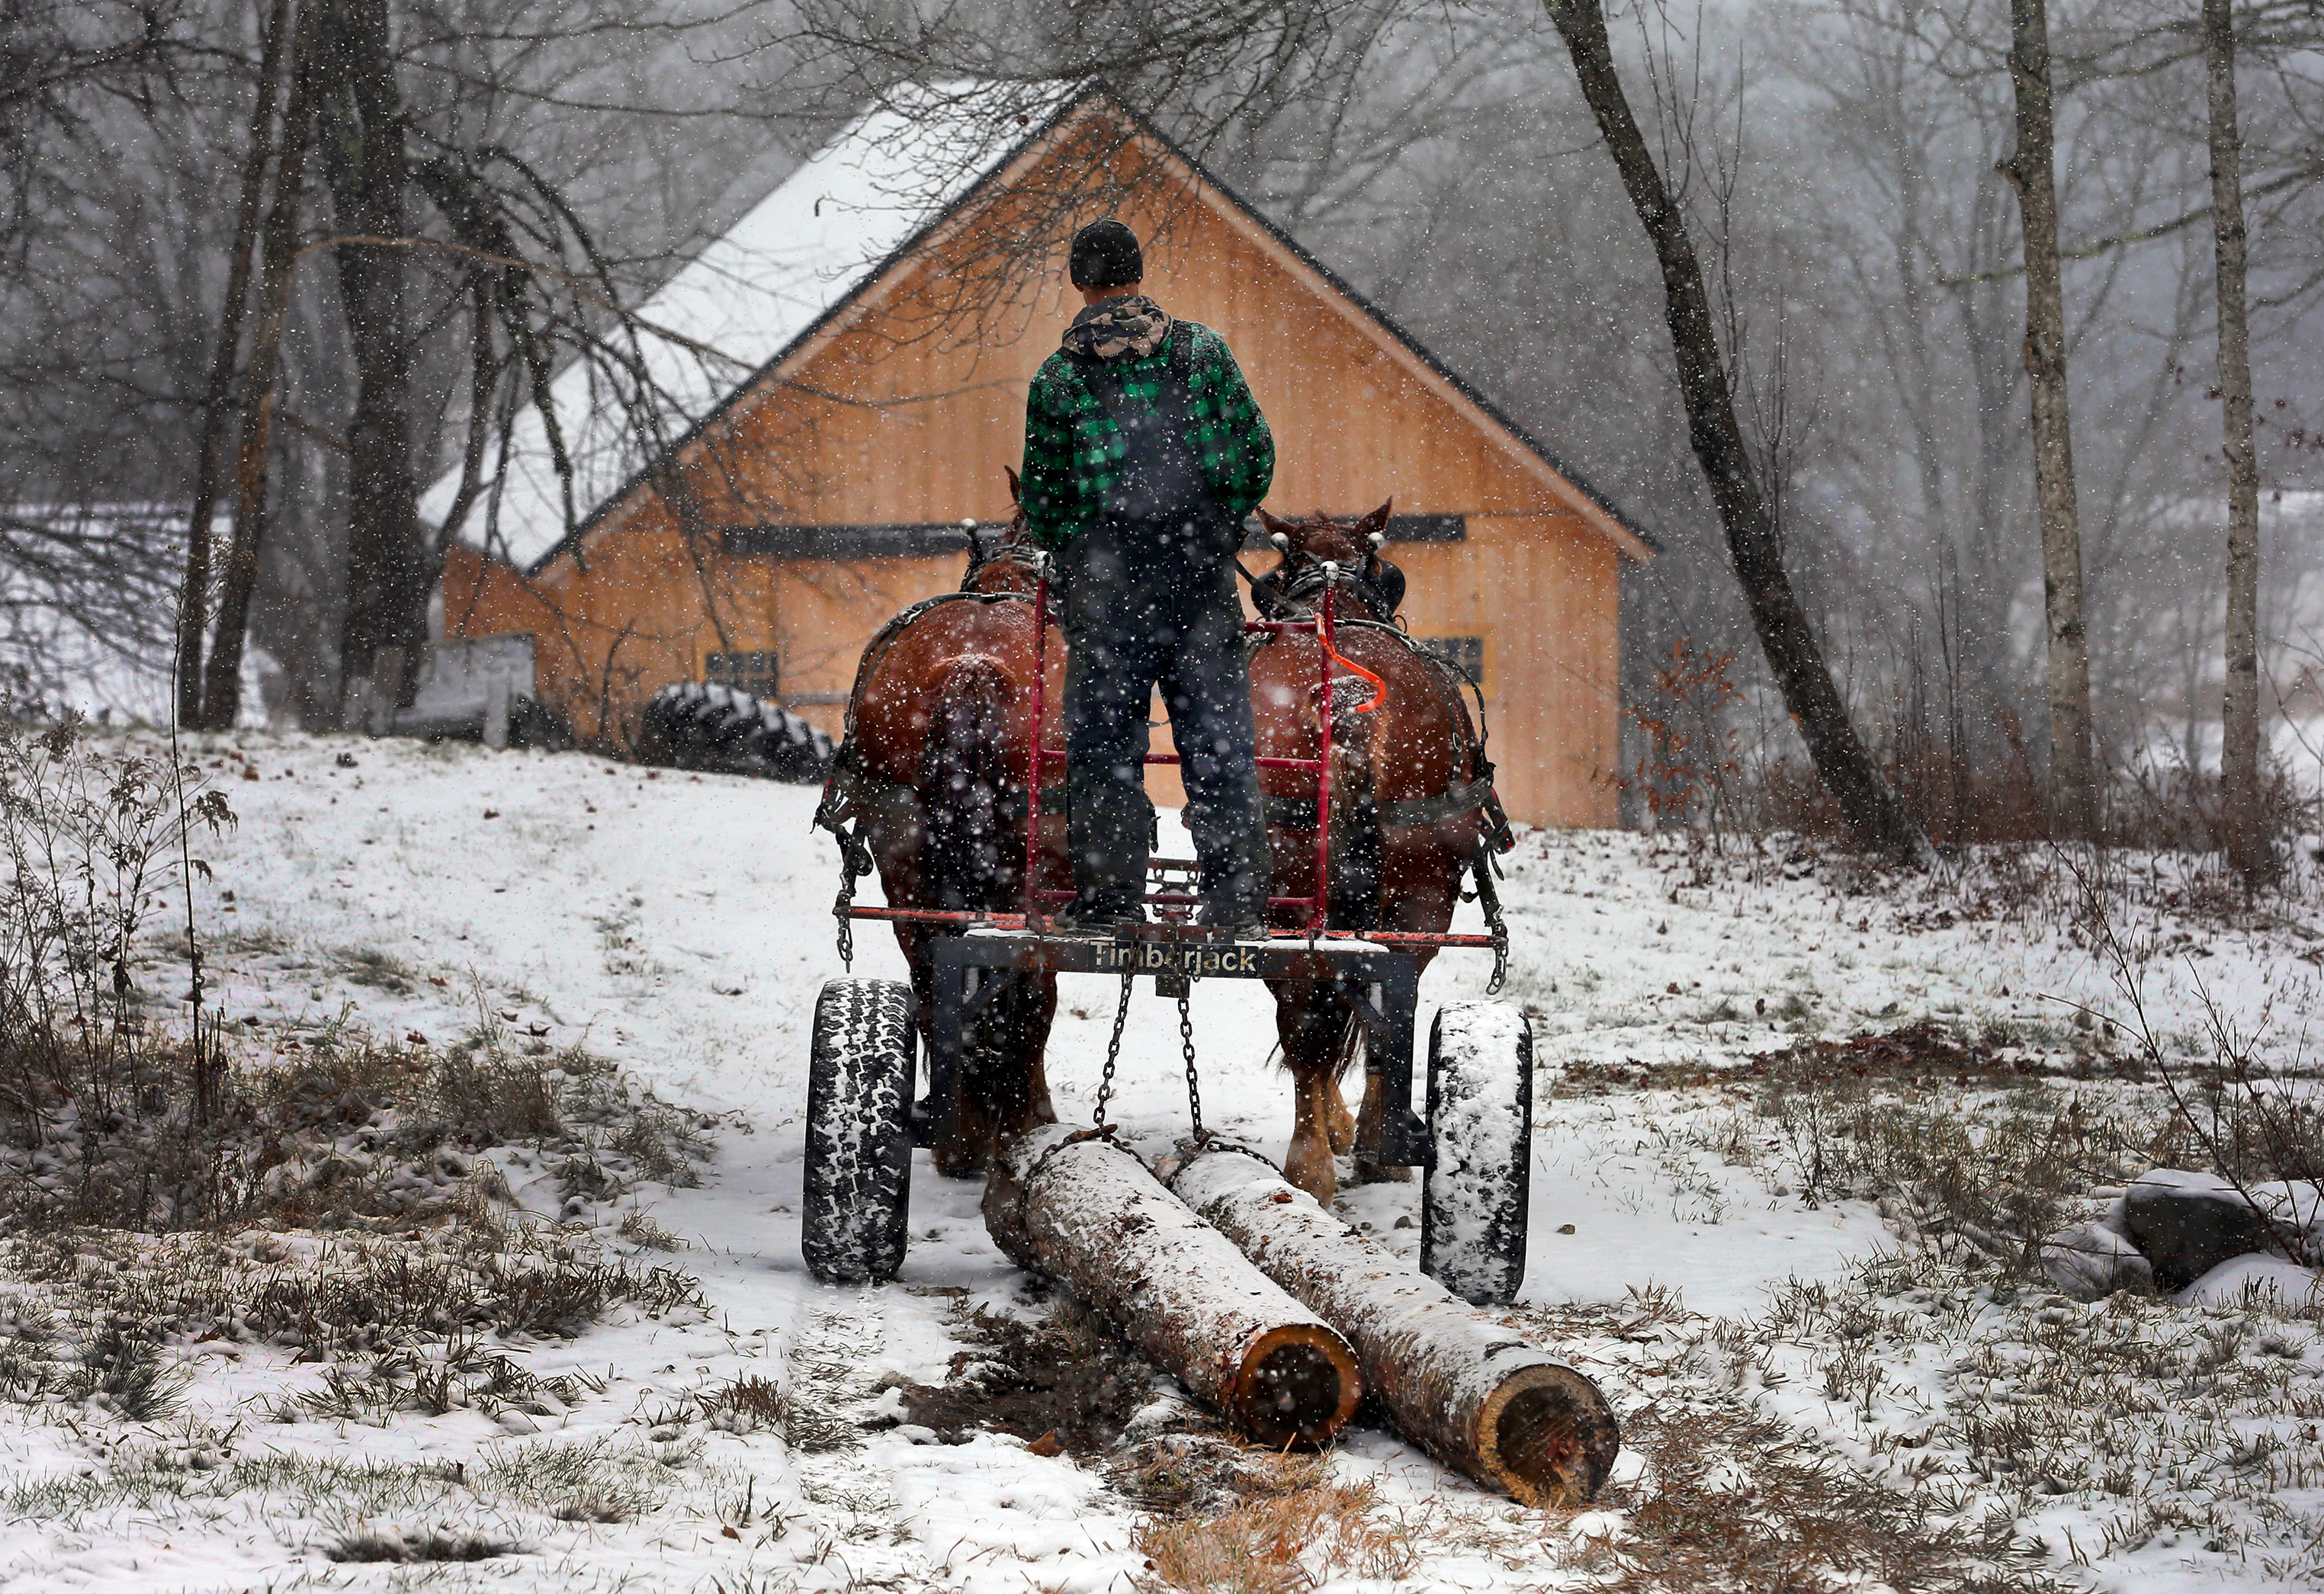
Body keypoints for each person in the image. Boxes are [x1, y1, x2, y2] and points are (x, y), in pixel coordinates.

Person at [1019, 220, 1274, 935]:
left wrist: (1087, 547)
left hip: (1106, 601)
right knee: (1220, 743)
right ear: (1138, 273)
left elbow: (1043, 502)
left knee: (1104, 752)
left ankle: (1109, 903)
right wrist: (1213, 522)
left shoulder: (1058, 379)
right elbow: (1255, 456)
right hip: (1200, 591)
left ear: (1078, 283)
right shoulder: (1203, 353)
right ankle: (1238, 905)